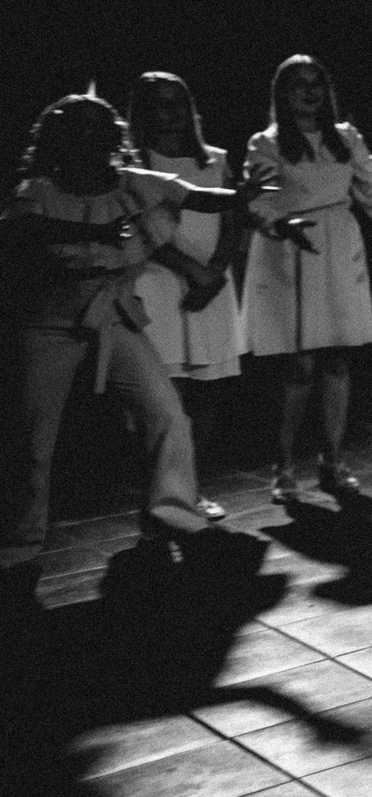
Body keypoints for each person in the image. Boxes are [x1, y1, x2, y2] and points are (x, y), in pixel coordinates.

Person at [0, 94, 271, 596]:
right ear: (61, 138)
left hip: (114, 312)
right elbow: (23, 229)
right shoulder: (38, 191)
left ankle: (173, 514)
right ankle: (19, 544)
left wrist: (237, 196)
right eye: (79, 128)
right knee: (34, 439)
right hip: (49, 323)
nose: (91, 137)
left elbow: (195, 195)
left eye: (98, 127)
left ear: (112, 135)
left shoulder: (133, 184)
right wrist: (95, 229)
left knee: (166, 412)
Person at [242, 55, 372, 503]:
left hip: (339, 247)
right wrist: (278, 223)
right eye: (299, 84)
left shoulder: (346, 137)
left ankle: (332, 460)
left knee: (337, 359)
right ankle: (283, 465)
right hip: (291, 249)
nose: (310, 91)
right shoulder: (266, 143)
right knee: (298, 364)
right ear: (282, 92)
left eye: (317, 83)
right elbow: (257, 201)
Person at [125, 71, 246, 521]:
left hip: (211, 286)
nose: (170, 112)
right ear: (142, 112)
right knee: (164, 398)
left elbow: (232, 218)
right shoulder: (134, 164)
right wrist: (192, 270)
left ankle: (194, 490)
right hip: (159, 283)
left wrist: (215, 271)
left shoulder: (214, 160)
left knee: (205, 392)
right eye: (158, 103)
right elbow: (142, 228)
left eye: (178, 101)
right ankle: (159, 495)